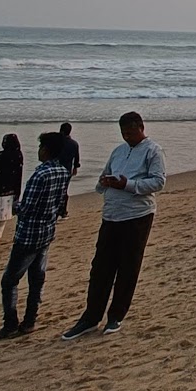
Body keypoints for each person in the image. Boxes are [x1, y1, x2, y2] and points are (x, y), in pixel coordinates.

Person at [62, 112, 167, 339]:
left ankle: (116, 316)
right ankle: (91, 316)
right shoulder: (118, 151)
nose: (127, 137)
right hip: (111, 215)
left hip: (137, 215)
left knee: (128, 267)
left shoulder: (153, 150)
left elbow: (158, 181)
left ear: (141, 128)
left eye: (130, 132)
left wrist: (127, 184)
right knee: (101, 267)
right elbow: (104, 175)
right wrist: (104, 183)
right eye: (123, 133)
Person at [0, 131, 72, 341]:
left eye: (41, 147)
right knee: (36, 279)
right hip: (46, 232)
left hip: (28, 235)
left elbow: (28, 207)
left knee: (9, 281)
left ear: (47, 150)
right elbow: (60, 203)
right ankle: (30, 320)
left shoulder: (40, 174)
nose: (38, 151)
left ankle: (11, 324)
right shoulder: (62, 171)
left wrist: (15, 206)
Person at [56, 122, 81, 218]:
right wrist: (75, 167)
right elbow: (77, 157)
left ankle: (56, 210)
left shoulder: (57, 143)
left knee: (55, 190)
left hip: (57, 168)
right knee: (64, 190)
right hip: (67, 169)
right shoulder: (74, 143)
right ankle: (63, 211)